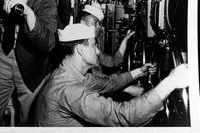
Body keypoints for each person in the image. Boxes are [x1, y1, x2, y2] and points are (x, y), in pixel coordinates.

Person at [33, 23, 188, 127]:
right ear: (80, 49)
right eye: (94, 45)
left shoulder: (70, 73)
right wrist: (171, 82)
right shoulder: (69, 89)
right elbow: (122, 115)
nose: (98, 51)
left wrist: (140, 71)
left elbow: (109, 83)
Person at [0, 0, 57, 125]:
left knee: (29, 119)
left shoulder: (45, 2)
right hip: (3, 57)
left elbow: (47, 43)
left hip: (31, 68)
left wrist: (28, 13)